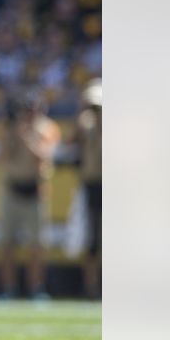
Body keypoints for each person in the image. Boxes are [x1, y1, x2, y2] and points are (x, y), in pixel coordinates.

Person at [0, 89, 61, 299]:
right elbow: (3, 158)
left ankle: (35, 288)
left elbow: (42, 157)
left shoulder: (48, 129)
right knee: (6, 243)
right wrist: (12, 134)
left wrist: (25, 137)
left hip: (35, 191)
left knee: (37, 245)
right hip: (12, 190)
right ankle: (8, 288)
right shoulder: (12, 129)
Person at [71, 79, 101, 298]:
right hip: (92, 184)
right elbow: (72, 141)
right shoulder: (85, 123)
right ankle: (90, 286)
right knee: (90, 240)